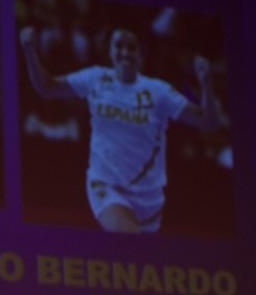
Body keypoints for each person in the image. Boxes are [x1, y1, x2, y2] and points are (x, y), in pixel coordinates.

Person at [19, 25, 218, 233]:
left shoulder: (159, 91)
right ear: (110, 51)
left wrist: (207, 83)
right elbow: (47, 87)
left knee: (136, 260)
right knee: (129, 238)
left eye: (131, 47)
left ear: (140, 54)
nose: (124, 52)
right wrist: (29, 50)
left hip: (150, 199)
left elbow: (208, 122)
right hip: (106, 185)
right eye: (118, 46)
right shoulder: (95, 79)